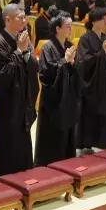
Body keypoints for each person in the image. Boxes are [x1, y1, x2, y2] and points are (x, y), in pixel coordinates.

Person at [0, 4, 39, 177]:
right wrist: (18, 51)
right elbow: (0, 78)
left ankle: (24, 180)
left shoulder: (24, 39)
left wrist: (26, 53)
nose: (24, 21)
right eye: (20, 17)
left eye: (25, 17)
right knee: (5, 147)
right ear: (8, 20)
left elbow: (34, 67)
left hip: (23, 101)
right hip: (7, 105)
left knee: (22, 146)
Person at [34, 12, 81, 166]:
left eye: (71, 26)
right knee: (53, 140)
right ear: (57, 29)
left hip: (68, 100)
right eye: (67, 26)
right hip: (53, 102)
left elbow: (75, 72)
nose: (70, 29)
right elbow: (46, 74)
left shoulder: (69, 46)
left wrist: (72, 64)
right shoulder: (48, 47)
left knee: (67, 136)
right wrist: (64, 61)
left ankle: (67, 166)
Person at [76, 7, 106, 151]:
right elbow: (83, 61)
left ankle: (101, 141)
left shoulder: (105, 37)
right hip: (92, 84)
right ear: (94, 21)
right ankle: (88, 143)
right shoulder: (85, 39)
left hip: (104, 84)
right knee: (90, 115)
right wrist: (102, 53)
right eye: (104, 18)